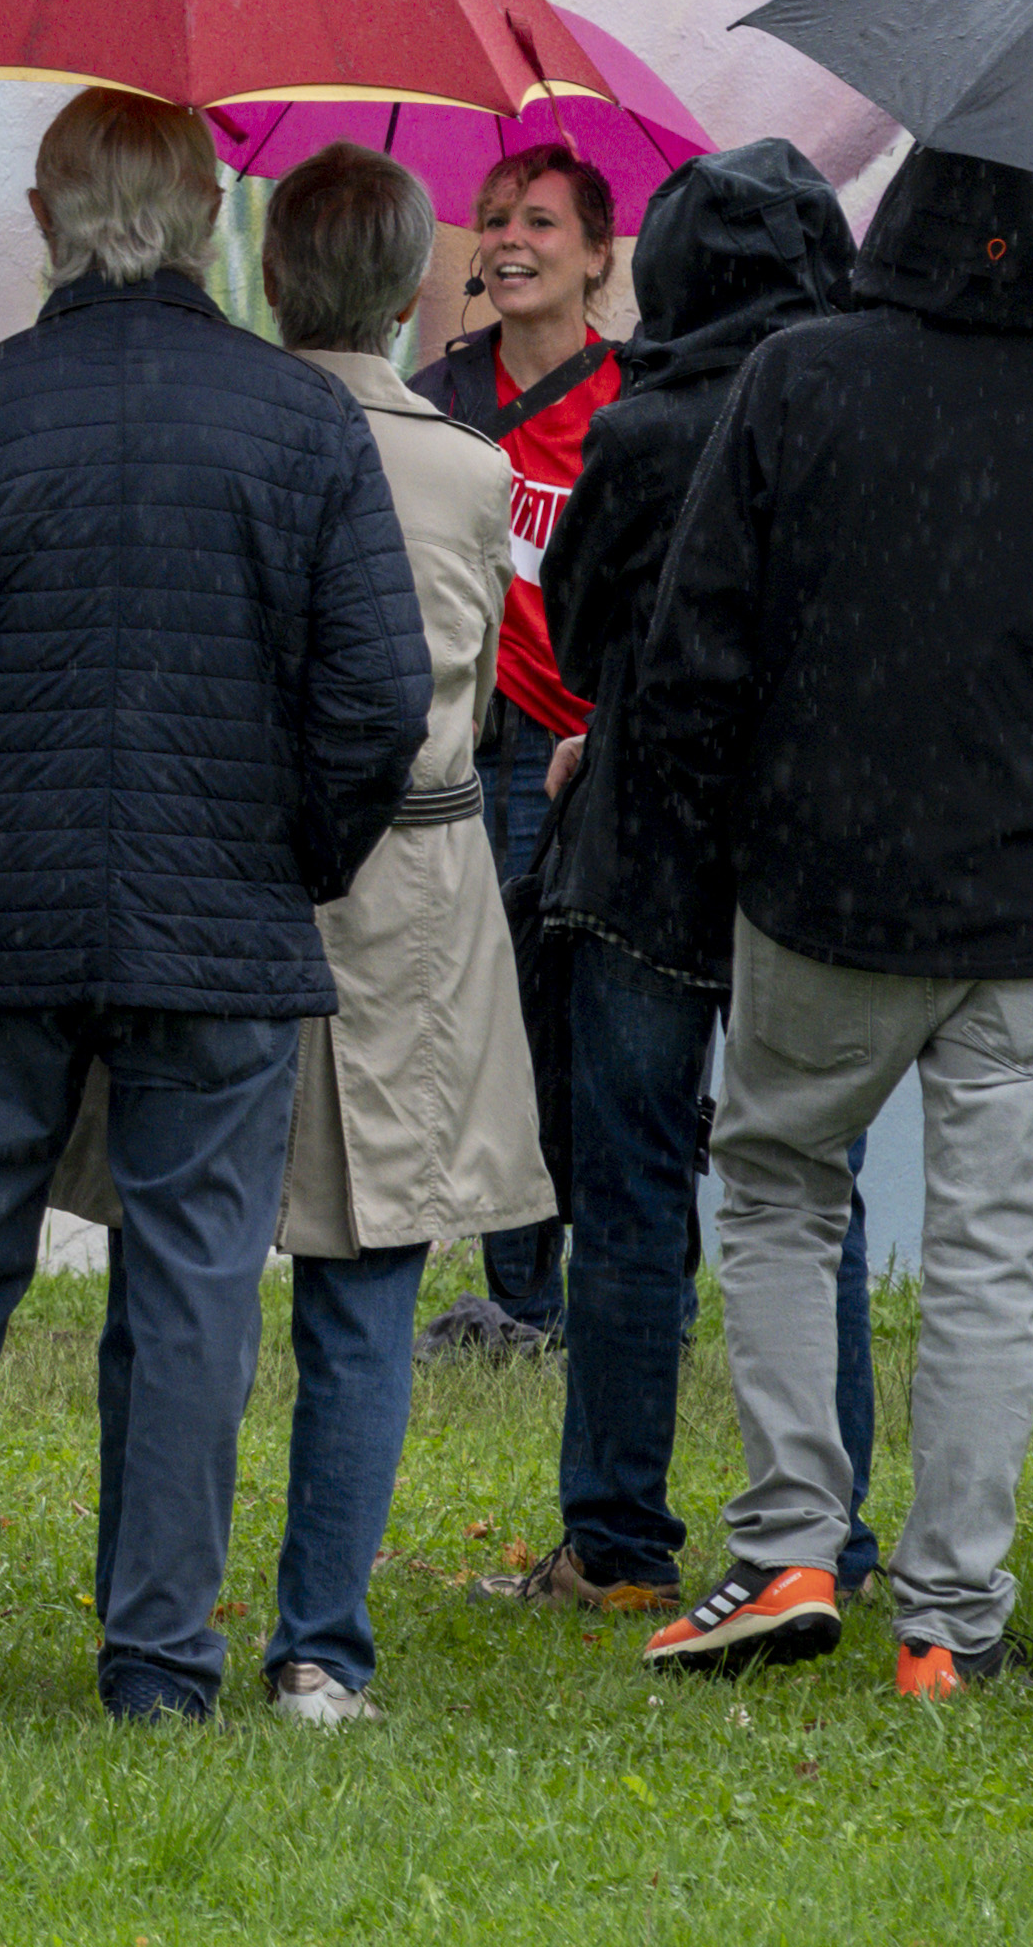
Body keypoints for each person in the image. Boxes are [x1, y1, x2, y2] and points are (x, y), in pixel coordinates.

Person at [0, 88, 420, 1724]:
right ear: (198, 221)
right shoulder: (302, 422)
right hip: (221, 928)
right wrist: (292, 850)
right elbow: (379, 695)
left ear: (46, 220)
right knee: (189, 1286)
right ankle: (160, 1659)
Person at [621, 139, 1033, 1701]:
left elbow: (696, 641)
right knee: (991, 1262)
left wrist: (729, 830)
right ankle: (951, 1624)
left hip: (824, 885)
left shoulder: (800, 376)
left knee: (784, 1185)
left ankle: (791, 1541)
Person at [491, 137, 874, 1622]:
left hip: (646, 850)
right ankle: (826, 1535)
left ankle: (616, 1540)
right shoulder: (853, 412)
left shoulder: (648, 430)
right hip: (805, 857)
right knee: (807, 1183)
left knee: (632, 1192)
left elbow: (579, 635)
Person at [251, 156, 549, 1724]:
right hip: (415, 881)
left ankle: (153, 1620)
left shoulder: (229, 426)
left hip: (229, 867)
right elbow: (486, 698)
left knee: (189, 1258)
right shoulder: (465, 470)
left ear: (274, 271)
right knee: (366, 1279)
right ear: (408, 283)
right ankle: (319, 1642)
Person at [409, 137, 624, 1360]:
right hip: (453, 750)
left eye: (541, 220)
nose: (510, 240)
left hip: (572, 759)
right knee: (482, 1029)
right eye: (493, 218)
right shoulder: (438, 393)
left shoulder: (630, 401)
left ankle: (594, 1291)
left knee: (569, 1023)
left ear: (599, 253)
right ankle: (515, 1304)